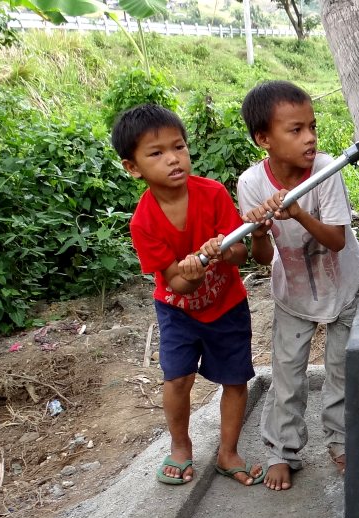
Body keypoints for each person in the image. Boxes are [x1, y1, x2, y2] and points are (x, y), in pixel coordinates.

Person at [111, 103, 265, 487]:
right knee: (177, 379)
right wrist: (191, 277)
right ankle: (180, 446)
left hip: (227, 304)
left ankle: (228, 452)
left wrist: (224, 249)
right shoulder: (143, 222)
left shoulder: (212, 194)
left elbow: (241, 253)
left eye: (179, 147)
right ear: (133, 167)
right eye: (157, 153)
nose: (173, 159)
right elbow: (174, 283)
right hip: (177, 310)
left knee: (234, 378)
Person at [237, 81, 359, 491]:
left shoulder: (326, 171)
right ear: (264, 140)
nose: (309, 137)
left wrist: (296, 212)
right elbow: (260, 256)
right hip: (293, 292)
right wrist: (259, 230)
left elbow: (337, 240)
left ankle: (342, 440)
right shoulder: (251, 184)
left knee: (343, 370)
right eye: (295, 130)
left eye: (312, 126)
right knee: (287, 375)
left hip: (344, 286)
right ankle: (282, 450)